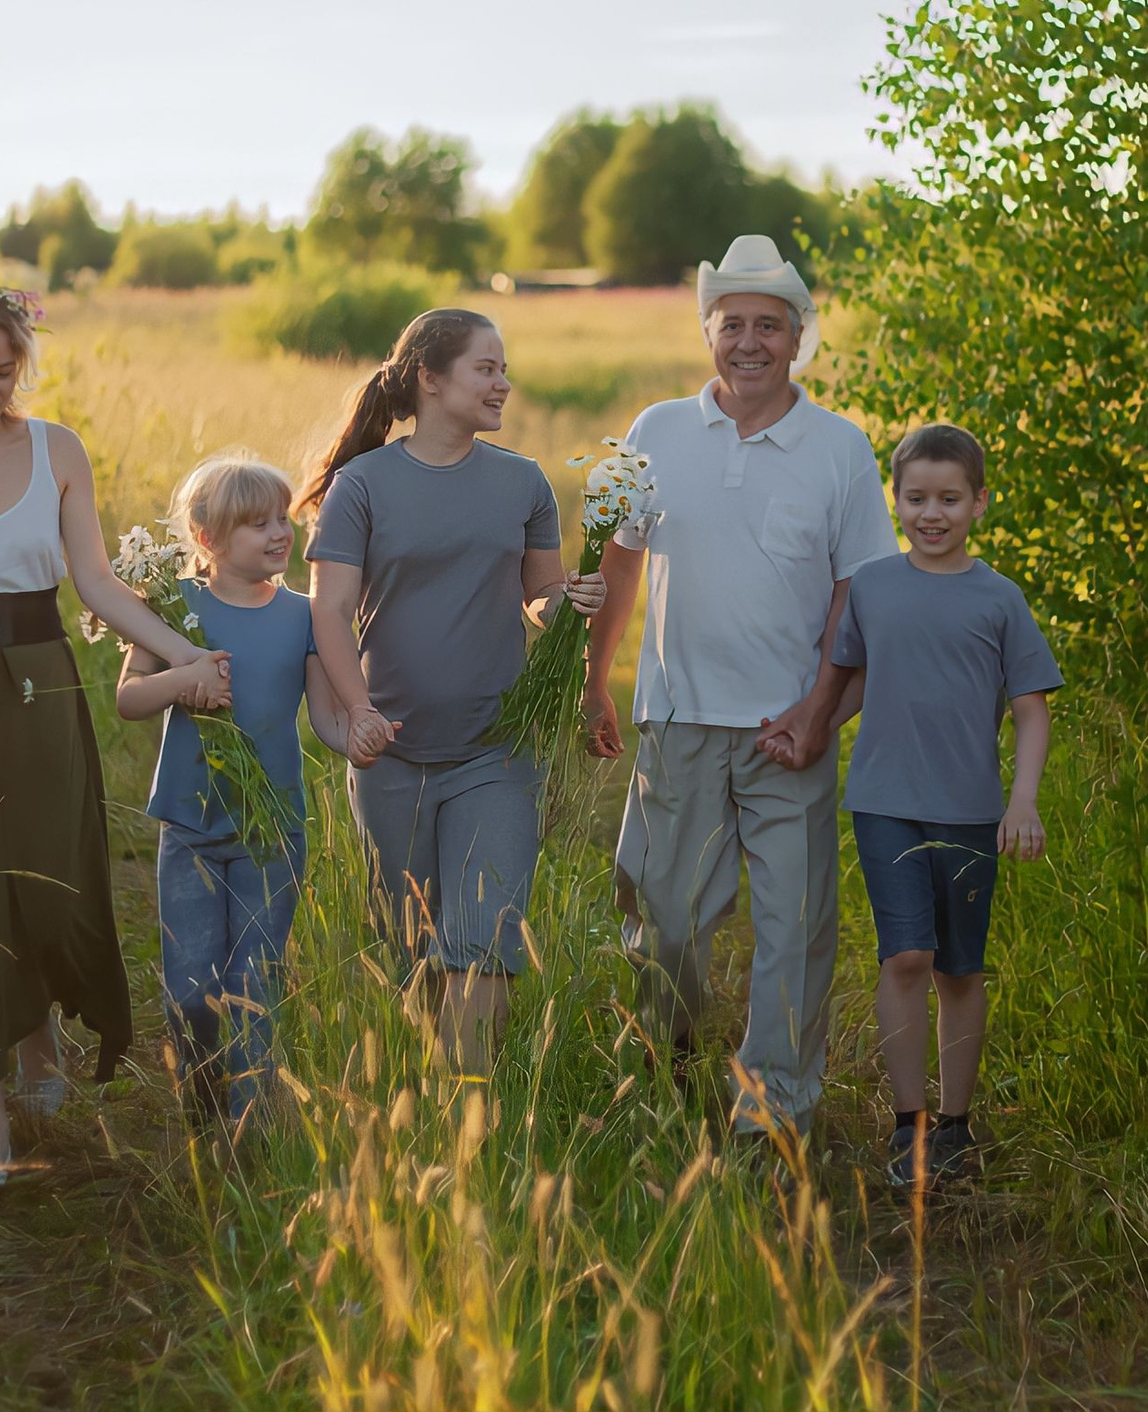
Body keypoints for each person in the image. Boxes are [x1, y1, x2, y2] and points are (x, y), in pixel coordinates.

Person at [0, 286, 230, 1186]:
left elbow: (97, 585)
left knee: (43, 869)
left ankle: (45, 1050)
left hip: (39, 678)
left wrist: (188, 656)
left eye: (5, 372)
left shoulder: (56, 449)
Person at [583, 233, 897, 1142]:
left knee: (793, 935)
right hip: (677, 719)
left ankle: (773, 1118)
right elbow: (620, 558)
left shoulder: (840, 449)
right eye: (733, 325)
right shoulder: (656, 430)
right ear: (707, 333)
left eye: (770, 325)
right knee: (666, 923)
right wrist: (599, 678)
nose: (750, 341)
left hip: (787, 728)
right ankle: (672, 1057)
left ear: (798, 338)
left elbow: (857, 592)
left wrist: (820, 712)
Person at [300, 308, 605, 1075]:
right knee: (412, 949)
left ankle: (466, 1119)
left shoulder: (523, 481)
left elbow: (539, 597)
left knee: (483, 943)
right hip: (390, 754)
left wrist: (572, 599)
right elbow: (329, 610)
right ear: (430, 380)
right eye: (487, 368)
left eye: (505, 368)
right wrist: (357, 713)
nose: (504, 382)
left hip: (495, 753)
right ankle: (430, 1115)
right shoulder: (361, 485)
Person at [801, 422, 1060, 1186]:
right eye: (916, 498)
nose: (932, 513)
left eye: (950, 498)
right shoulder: (875, 586)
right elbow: (845, 682)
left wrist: (1024, 802)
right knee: (907, 954)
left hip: (972, 810)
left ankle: (956, 1123)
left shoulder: (999, 599)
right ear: (898, 499)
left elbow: (1033, 709)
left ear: (980, 502)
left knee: (959, 969)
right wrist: (804, 730)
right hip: (885, 801)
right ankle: (907, 1123)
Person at [118, 455, 351, 1131]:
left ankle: (250, 1127)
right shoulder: (172, 606)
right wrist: (185, 675)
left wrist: (359, 735)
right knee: (192, 987)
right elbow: (130, 698)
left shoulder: (305, 615)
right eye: (257, 524)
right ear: (207, 537)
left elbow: (327, 717)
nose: (279, 533)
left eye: (282, 519)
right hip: (188, 824)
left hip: (271, 827)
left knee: (254, 980)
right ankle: (200, 1104)